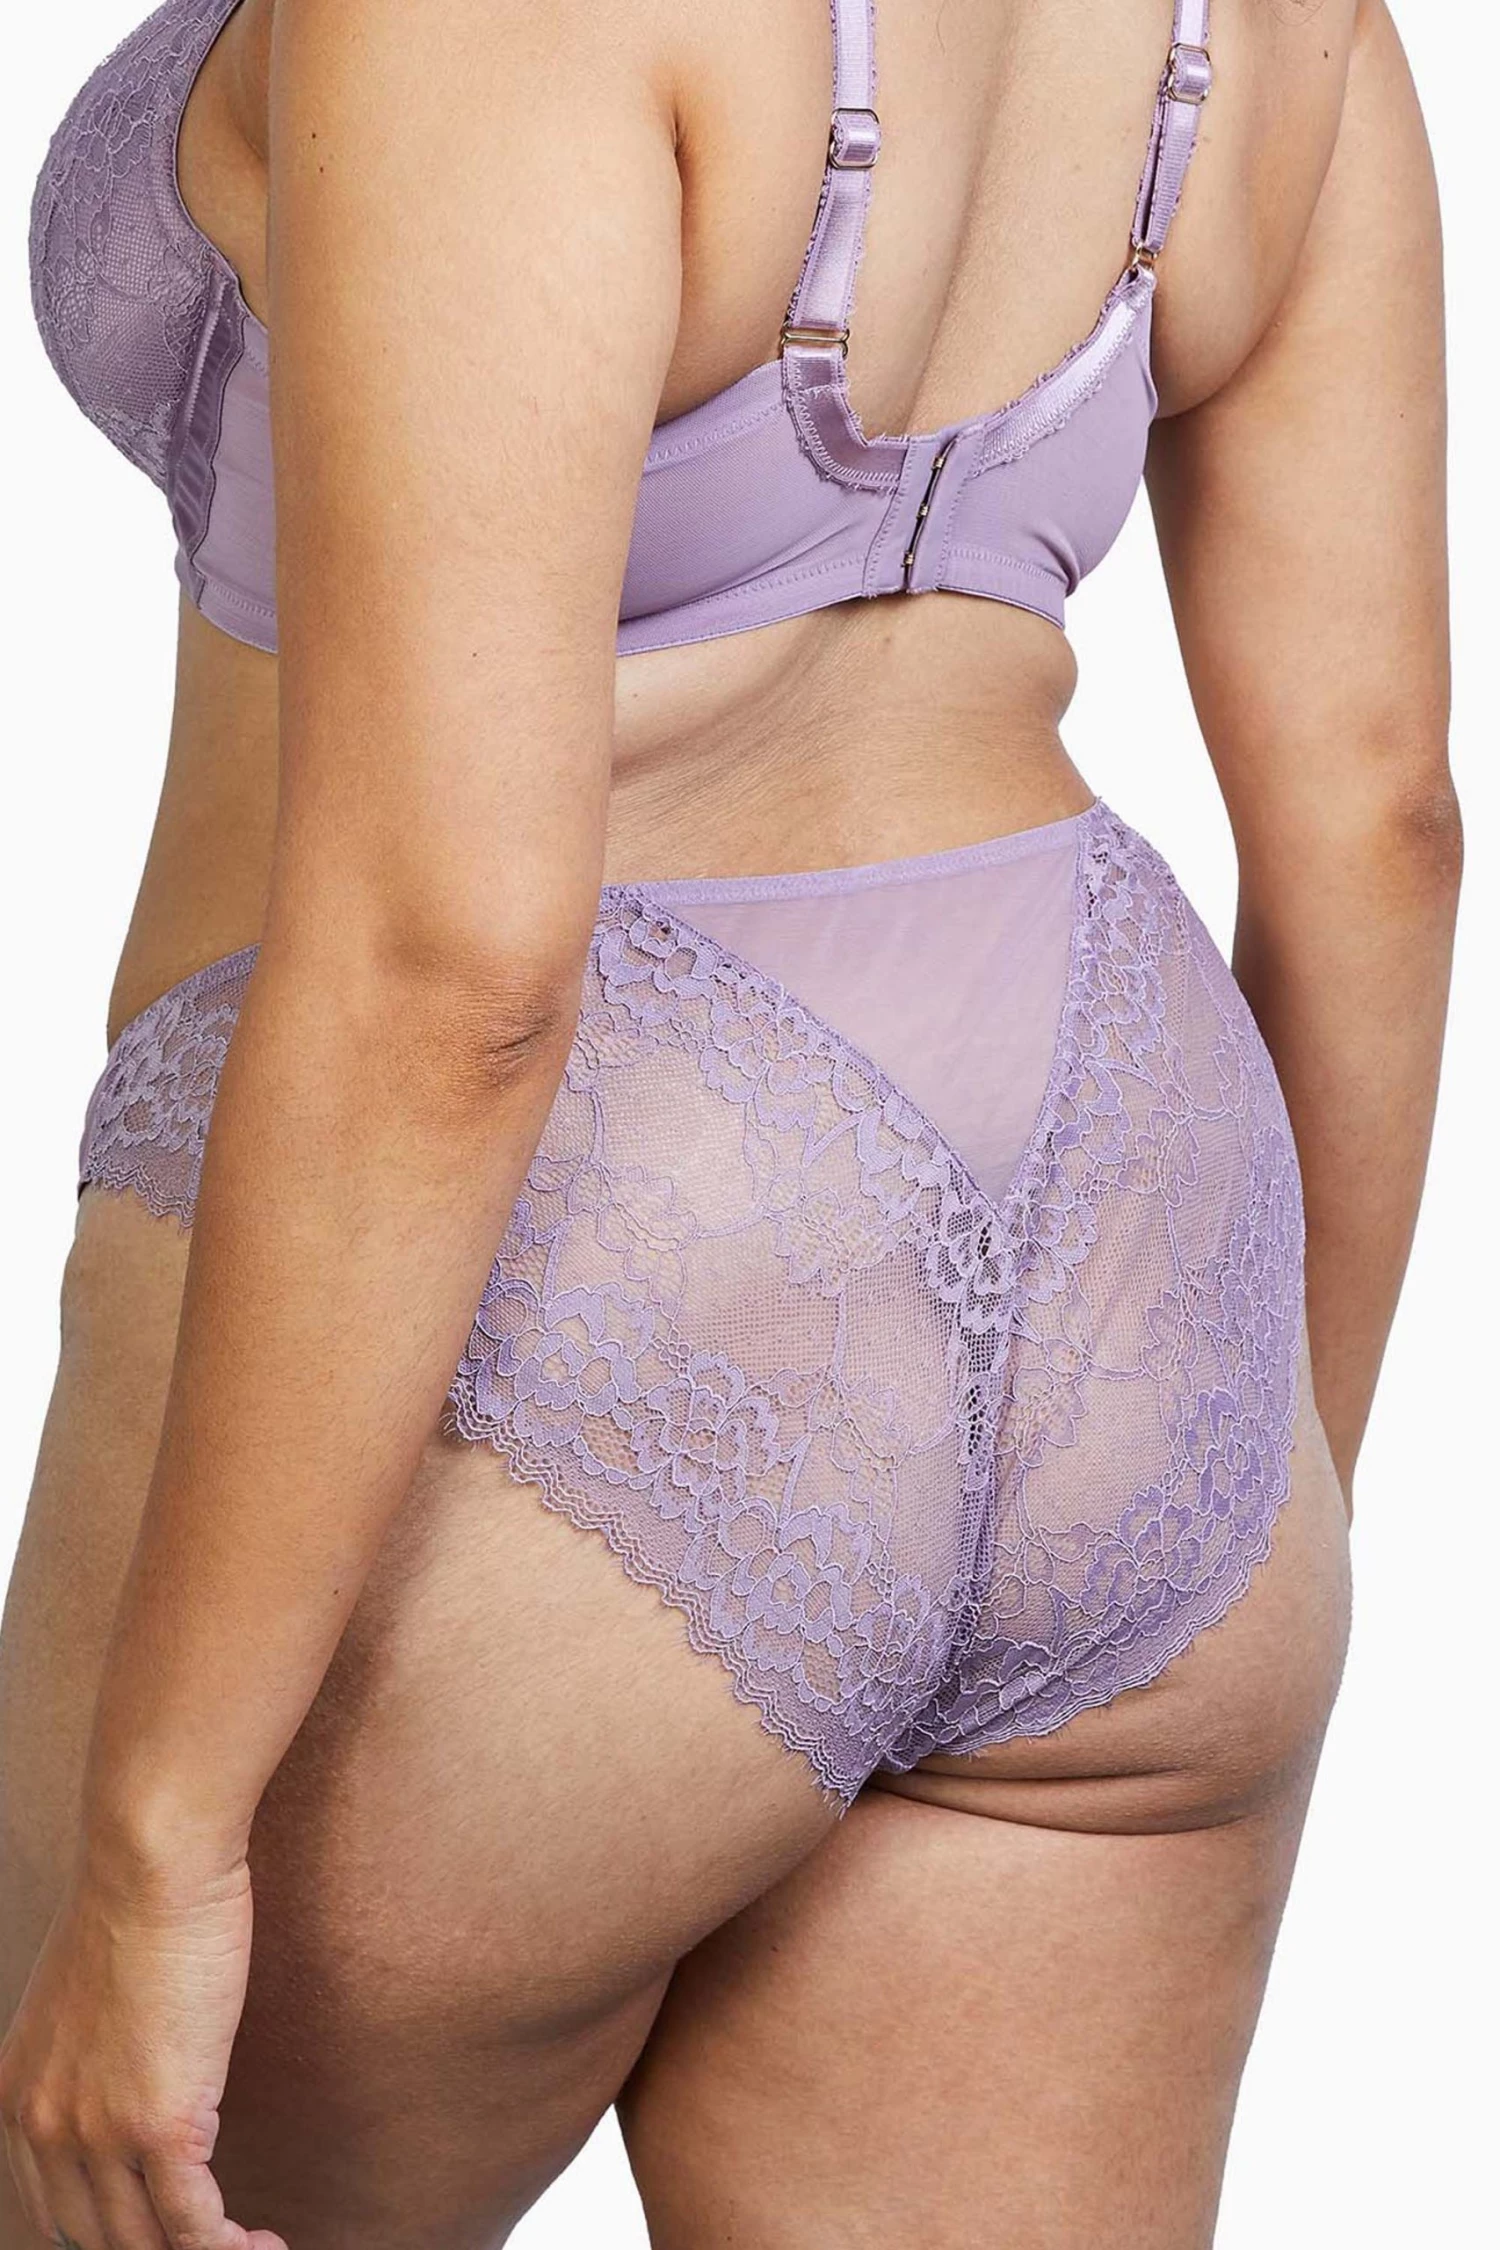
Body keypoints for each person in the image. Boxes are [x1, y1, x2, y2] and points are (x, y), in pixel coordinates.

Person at [0, 0, 1458, 2243]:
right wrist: (1240, 1494)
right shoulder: (1296, 28)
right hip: (1139, 1265)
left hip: (557, 1291)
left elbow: (455, 971)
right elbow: (1383, 830)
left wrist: (161, 1837)